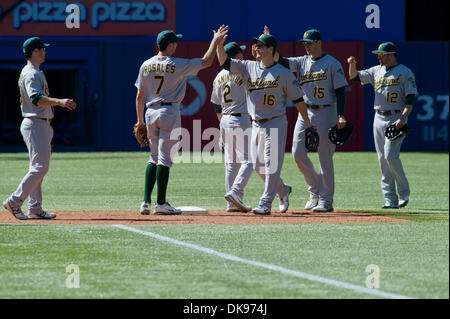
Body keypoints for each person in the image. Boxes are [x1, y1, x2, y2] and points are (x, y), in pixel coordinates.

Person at [135, 26, 229, 215]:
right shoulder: (176, 63)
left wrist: (140, 122)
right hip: (169, 111)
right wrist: (215, 41)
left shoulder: (146, 64)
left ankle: (145, 201)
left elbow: (139, 96)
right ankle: (161, 203)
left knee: (153, 158)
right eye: (175, 42)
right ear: (169, 45)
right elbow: (207, 62)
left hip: (150, 112)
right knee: (164, 159)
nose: (177, 44)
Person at [216, 31, 311, 215]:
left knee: (271, 163)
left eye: (260, 45)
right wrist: (219, 45)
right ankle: (283, 191)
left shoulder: (283, 73)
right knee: (257, 163)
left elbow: (299, 99)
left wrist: (307, 123)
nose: (256, 48)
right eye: (256, 45)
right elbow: (224, 62)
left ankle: (266, 203)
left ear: (270, 49)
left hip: (275, 121)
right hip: (256, 123)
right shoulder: (248, 67)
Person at [273, 28, 349, 212]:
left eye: (309, 43)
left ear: (319, 43)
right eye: (304, 43)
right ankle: (314, 189)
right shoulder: (302, 62)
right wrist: (269, 43)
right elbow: (280, 60)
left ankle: (326, 200)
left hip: (326, 111)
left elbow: (340, 91)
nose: (306, 46)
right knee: (297, 152)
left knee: (325, 157)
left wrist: (341, 115)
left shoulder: (332, 63)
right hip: (305, 112)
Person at [3, 37, 77, 220]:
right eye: (42, 49)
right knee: (39, 167)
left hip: (39, 123)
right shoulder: (31, 73)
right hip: (35, 122)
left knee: (37, 168)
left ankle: (35, 208)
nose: (45, 51)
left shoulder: (34, 71)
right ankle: (14, 201)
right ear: (35, 51)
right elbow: (36, 98)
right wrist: (60, 102)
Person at [347, 42, 417, 208]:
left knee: (389, 155)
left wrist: (403, 118)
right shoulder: (376, 70)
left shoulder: (405, 72)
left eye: (381, 54)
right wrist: (352, 64)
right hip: (378, 117)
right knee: (382, 159)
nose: (379, 57)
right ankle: (390, 199)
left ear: (391, 55)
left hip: (396, 117)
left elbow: (410, 99)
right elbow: (354, 77)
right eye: (378, 54)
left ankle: (403, 194)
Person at [210, 42, 253, 212]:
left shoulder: (218, 76)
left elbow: (216, 105)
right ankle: (236, 192)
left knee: (231, 163)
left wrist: (221, 125)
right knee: (250, 159)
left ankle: (231, 203)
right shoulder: (243, 71)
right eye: (239, 54)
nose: (242, 56)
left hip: (225, 120)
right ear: (234, 57)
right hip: (240, 118)